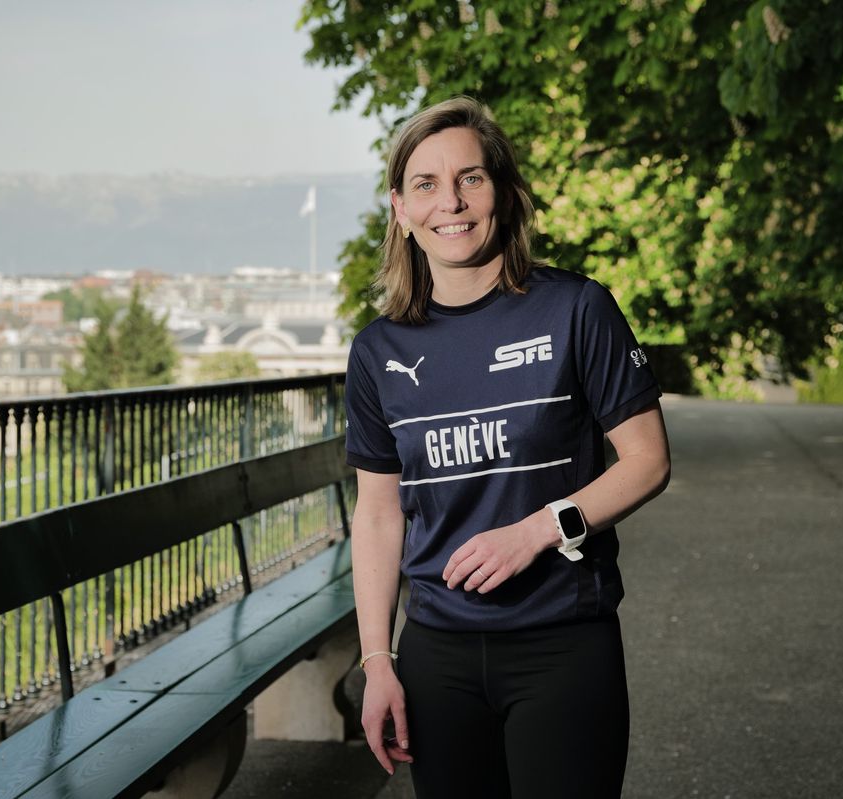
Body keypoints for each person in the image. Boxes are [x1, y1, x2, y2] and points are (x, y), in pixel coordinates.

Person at [345, 96, 671, 799]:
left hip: (563, 643)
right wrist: (377, 660)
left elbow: (648, 459)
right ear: (400, 209)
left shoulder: (576, 308)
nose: (451, 202)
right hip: (437, 657)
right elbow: (377, 513)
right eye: (426, 184)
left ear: (503, 191)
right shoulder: (377, 351)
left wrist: (536, 532)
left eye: (471, 177)